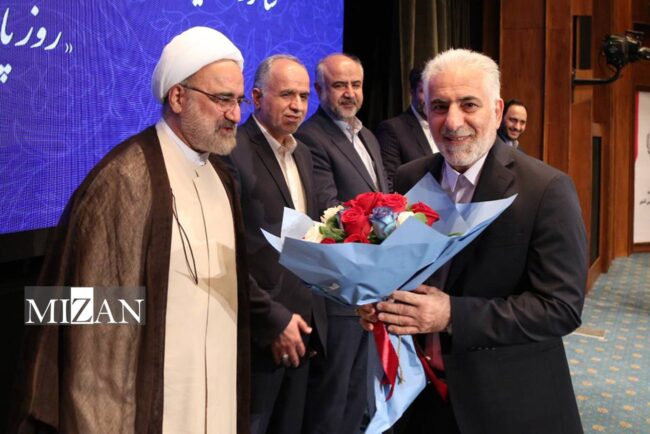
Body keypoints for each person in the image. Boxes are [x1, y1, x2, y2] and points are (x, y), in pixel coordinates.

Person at [12, 27, 260, 434]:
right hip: (148, 405)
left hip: (217, 398)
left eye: (239, 100)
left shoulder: (221, 177)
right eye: (222, 100)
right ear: (178, 97)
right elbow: (90, 319)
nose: (235, 115)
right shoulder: (125, 178)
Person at [360, 49, 587, 434]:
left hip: (508, 405)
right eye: (439, 106)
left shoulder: (546, 189)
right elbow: (405, 269)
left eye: (468, 105)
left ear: (497, 112)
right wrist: (379, 302)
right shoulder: (410, 177)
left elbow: (560, 307)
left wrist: (452, 315)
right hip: (420, 401)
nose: (452, 122)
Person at [223, 54, 326, 434]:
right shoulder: (231, 151)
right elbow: (228, 251)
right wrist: (273, 320)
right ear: (256, 97)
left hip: (303, 327)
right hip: (258, 332)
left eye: (303, 96)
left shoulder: (304, 153)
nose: (297, 105)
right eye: (286, 95)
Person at [295, 53, 388, 434]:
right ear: (319, 90)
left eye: (356, 84)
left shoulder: (367, 135)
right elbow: (329, 212)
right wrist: (386, 228)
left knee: (356, 400)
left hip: (369, 290)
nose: (350, 93)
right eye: (339, 85)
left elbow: (383, 197)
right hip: (338, 292)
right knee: (330, 403)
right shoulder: (310, 138)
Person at [376, 67, 439, 191]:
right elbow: (390, 183)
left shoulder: (447, 125)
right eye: (423, 91)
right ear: (411, 92)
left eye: (434, 92)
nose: (430, 99)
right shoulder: (392, 129)